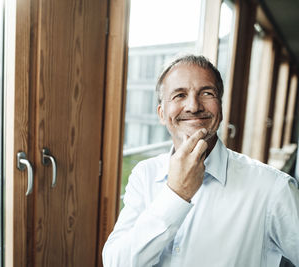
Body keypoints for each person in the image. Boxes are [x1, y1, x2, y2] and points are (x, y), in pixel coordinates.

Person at [102, 55, 299, 267]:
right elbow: (116, 263)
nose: (193, 106)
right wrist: (175, 194)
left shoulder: (272, 187)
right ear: (161, 114)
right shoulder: (144, 174)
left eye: (206, 93)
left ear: (220, 110)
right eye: (179, 95)